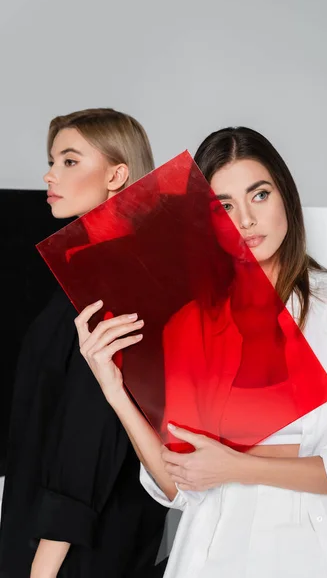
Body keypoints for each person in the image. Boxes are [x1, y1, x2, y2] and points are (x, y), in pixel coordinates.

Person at [75, 127, 327, 577]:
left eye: (259, 194)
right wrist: (114, 391)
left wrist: (238, 466)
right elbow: (178, 485)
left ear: (285, 196)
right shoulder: (190, 324)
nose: (244, 220)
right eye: (223, 206)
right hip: (217, 553)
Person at [0, 108, 168, 578]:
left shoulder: (119, 275)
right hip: (55, 529)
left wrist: (43, 564)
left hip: (73, 547)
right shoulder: (89, 267)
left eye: (69, 161)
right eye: (52, 160)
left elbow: (91, 427)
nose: (49, 175)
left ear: (117, 174)